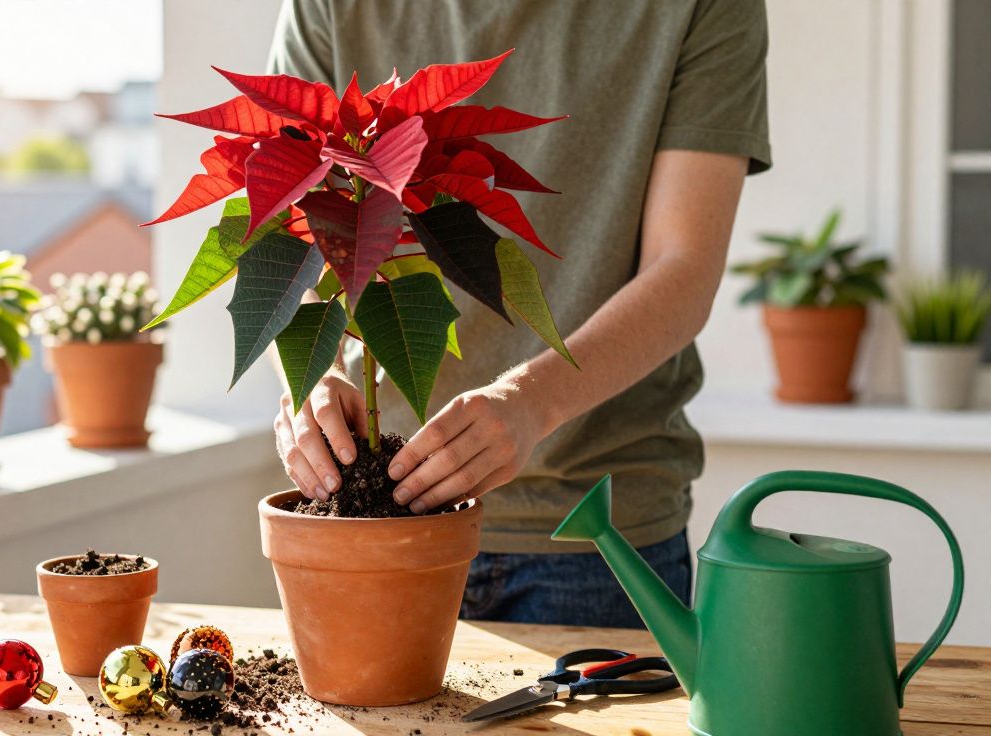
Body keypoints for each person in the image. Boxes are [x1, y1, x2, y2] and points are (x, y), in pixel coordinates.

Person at [268, 0, 771, 628]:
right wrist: (308, 375)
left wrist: (534, 400)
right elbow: (281, 229)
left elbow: (684, 267)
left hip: (592, 533)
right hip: (371, 515)